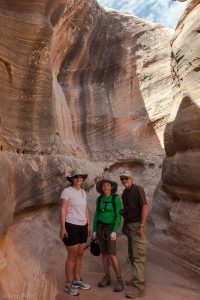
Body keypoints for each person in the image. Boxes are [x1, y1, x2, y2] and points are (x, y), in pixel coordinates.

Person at [60, 169, 91, 296]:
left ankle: (77, 280)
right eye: (76, 177)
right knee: (72, 256)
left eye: (81, 177)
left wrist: (88, 224)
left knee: (80, 255)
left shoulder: (83, 192)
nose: (79, 179)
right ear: (72, 179)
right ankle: (69, 283)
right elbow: (62, 210)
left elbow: (85, 209)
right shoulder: (67, 192)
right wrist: (63, 228)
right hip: (71, 225)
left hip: (83, 226)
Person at [92, 176, 124, 292]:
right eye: (104, 185)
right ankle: (107, 277)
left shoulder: (115, 199)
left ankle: (119, 280)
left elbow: (118, 216)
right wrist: (94, 230)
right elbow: (96, 215)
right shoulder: (99, 199)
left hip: (110, 229)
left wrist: (115, 231)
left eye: (108, 185)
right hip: (100, 228)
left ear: (111, 187)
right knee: (104, 254)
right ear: (101, 187)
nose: (105, 187)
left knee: (112, 254)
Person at [120, 170, 148, 299]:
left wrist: (141, 226)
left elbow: (144, 206)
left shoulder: (138, 189)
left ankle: (139, 287)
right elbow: (128, 210)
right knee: (132, 255)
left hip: (137, 226)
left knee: (138, 256)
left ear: (131, 178)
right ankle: (137, 279)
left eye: (126, 178)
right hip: (130, 226)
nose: (124, 180)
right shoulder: (125, 193)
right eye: (122, 179)